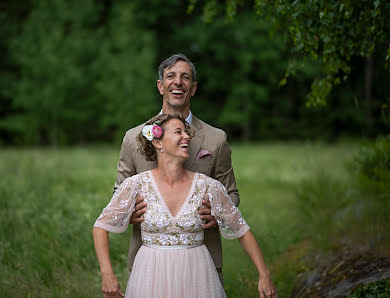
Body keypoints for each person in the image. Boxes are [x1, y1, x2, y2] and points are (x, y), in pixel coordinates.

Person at [93, 114, 276, 297]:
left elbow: (242, 230)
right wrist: (107, 274)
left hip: (196, 276)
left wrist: (264, 275)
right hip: (150, 276)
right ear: (158, 143)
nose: (187, 136)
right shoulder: (136, 185)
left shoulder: (207, 186)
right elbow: (100, 227)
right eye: (178, 132)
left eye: (186, 132)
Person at [114, 54, 238, 285]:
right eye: (171, 76)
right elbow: (118, 193)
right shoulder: (133, 138)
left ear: (194, 88)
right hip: (149, 261)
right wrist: (129, 214)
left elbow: (232, 194)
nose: (178, 82)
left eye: (185, 77)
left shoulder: (216, 139)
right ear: (161, 86)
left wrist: (217, 216)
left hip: (203, 259)